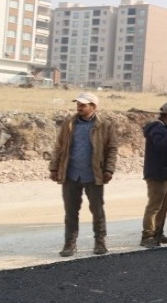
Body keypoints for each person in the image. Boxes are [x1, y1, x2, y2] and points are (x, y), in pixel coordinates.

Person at [49, 92, 118, 257]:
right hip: (70, 174)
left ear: (93, 107)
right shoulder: (69, 123)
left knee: (97, 209)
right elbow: (59, 146)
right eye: (78, 104)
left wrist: (109, 169)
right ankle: (69, 244)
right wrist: (54, 167)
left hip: (94, 174)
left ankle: (100, 242)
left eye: (83, 105)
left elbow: (112, 149)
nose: (79, 107)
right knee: (71, 211)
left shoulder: (105, 125)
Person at [140, 102, 167, 248]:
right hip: (157, 175)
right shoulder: (157, 129)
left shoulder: (165, 129)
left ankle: (158, 232)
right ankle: (148, 236)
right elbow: (160, 147)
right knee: (155, 206)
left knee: (165, 206)